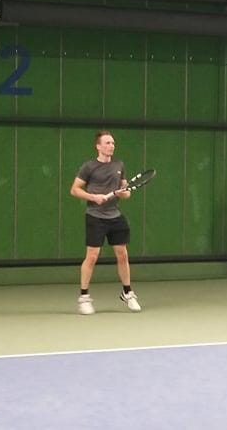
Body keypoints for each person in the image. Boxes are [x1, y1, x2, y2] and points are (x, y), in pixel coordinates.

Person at [69, 130, 141, 315]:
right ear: (98, 146)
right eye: (108, 143)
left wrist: (124, 193)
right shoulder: (89, 167)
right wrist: (94, 197)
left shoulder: (119, 165)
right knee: (92, 256)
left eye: (113, 143)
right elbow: (75, 190)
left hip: (115, 216)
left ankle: (127, 293)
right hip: (95, 216)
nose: (111, 146)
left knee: (122, 255)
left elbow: (125, 191)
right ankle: (84, 297)